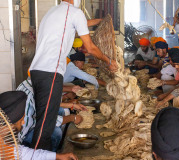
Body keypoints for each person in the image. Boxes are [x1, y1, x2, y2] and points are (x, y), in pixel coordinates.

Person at [29, 0, 117, 150]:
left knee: (44, 120)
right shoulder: (75, 13)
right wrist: (108, 60)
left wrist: (100, 21)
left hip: (38, 71)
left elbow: (82, 23)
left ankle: (45, 154)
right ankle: (38, 155)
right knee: (46, 124)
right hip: (50, 72)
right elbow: (90, 47)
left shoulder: (54, 11)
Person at [0, 91, 78, 160]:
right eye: (20, 121)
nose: (23, 123)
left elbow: (25, 154)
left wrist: (57, 156)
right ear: (9, 124)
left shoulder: (6, 142)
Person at [16, 79, 85, 152]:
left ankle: (59, 145)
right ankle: (51, 154)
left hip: (32, 121)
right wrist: (72, 118)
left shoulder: (30, 83)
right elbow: (45, 120)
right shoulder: (31, 94)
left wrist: (71, 104)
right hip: (24, 136)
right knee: (55, 132)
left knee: (60, 110)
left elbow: (47, 103)